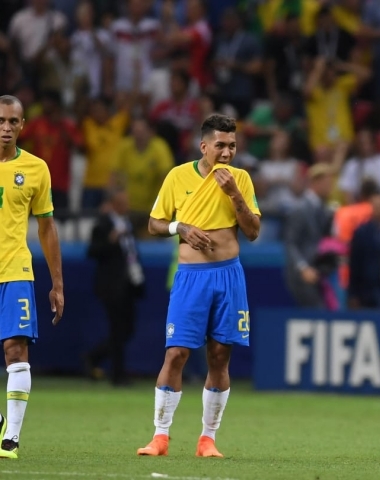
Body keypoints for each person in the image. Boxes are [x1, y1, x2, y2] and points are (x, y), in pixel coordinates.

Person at [136, 114, 261, 458]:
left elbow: (252, 232)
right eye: (220, 145)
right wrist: (181, 228)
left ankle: (208, 439)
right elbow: (153, 223)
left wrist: (235, 194)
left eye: (232, 146)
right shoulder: (178, 176)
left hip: (228, 275)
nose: (226, 152)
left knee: (220, 356)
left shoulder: (242, 180)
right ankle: (160, 437)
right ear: (203, 146)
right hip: (191, 277)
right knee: (176, 353)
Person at [0, 95, 64, 459]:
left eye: (13, 121)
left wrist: (57, 283)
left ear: (23, 125)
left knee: (16, 350)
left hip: (16, 270)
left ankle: (12, 438)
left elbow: (47, 227)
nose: (6, 128)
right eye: (1, 121)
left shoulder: (37, 168)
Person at [85, 187, 145, 386]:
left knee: (127, 329)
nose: (126, 206)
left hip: (128, 284)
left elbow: (132, 254)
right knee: (117, 329)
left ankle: (94, 357)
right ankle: (118, 375)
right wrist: (110, 241)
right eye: (122, 202)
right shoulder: (102, 224)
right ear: (113, 204)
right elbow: (92, 251)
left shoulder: (128, 224)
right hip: (110, 285)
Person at [283, 163, 336, 308]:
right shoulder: (299, 208)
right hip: (302, 276)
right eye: (327, 183)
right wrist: (303, 268)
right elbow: (290, 243)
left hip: (319, 272)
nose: (330, 187)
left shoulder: (325, 209)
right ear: (316, 182)